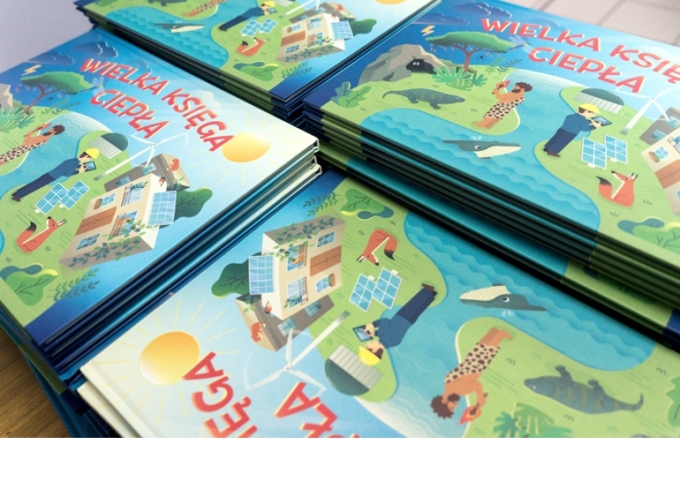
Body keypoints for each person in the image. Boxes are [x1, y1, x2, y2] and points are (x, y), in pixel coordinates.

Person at [430, 327, 512, 419]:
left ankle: (501, 334)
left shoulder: (460, 390)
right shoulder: (446, 382)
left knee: (489, 351)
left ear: (444, 401)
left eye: (451, 407)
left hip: (477, 367)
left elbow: (477, 385)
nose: (455, 406)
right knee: (479, 349)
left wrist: (480, 397)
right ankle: (493, 332)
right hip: (469, 361)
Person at [358, 284, 436, 365]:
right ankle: (428, 290)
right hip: (402, 317)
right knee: (414, 303)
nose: (367, 344)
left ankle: (431, 295)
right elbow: (385, 321)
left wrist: (375, 333)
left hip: (409, 321)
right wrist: (372, 325)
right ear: (374, 350)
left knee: (419, 308)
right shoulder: (382, 335)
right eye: (367, 346)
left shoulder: (392, 344)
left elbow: (391, 331)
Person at [11, 148, 99, 202]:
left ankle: (17, 192)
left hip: (49, 174)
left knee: (34, 183)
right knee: (35, 186)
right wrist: (79, 172)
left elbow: (69, 167)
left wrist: (79, 167)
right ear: (86, 156)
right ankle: (17, 196)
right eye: (89, 158)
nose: (88, 160)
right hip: (52, 177)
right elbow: (66, 174)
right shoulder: (73, 164)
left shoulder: (72, 161)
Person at [0, 123, 65, 165]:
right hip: (19, 150)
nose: (49, 130)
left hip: (19, 150)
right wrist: (35, 130)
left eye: (51, 129)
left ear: (54, 132)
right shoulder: (45, 138)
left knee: (2, 160)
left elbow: (27, 140)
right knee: (2, 159)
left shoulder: (43, 138)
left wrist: (33, 131)